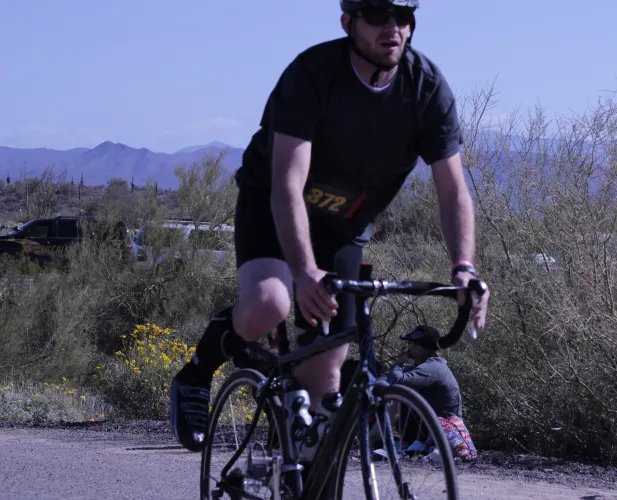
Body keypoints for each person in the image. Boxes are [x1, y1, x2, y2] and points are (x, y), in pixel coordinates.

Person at [167, 0, 490, 457]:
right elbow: (288, 183)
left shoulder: (426, 89)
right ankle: (196, 375)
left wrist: (463, 267)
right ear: (348, 23)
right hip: (273, 201)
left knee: (328, 369)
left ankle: (300, 469)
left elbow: (453, 190)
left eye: (403, 16)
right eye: (377, 14)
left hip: (343, 226)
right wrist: (302, 271)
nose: (393, 27)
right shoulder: (313, 74)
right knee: (270, 302)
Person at [383, 325, 478, 462]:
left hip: (443, 427)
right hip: (430, 426)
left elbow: (396, 381)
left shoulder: (433, 367)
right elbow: (389, 380)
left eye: (411, 343)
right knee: (399, 397)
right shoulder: (423, 366)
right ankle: (408, 444)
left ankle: (407, 445)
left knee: (398, 395)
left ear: (420, 349)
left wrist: (399, 362)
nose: (408, 347)